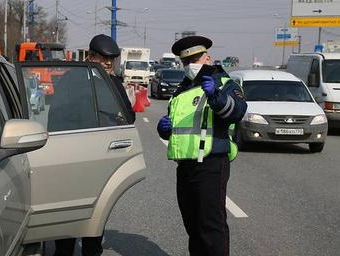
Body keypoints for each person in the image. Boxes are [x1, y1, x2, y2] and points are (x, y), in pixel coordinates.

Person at [157, 36, 247, 256]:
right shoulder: (180, 91)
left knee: (211, 228)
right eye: (186, 61)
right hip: (185, 167)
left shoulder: (224, 83)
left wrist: (215, 96)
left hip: (211, 164)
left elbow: (237, 112)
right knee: (193, 227)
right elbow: (178, 127)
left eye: (196, 58)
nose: (191, 65)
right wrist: (164, 129)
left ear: (208, 57)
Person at [53, 34, 135, 256]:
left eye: (112, 60)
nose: (108, 64)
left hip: (100, 157)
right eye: (103, 59)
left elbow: (129, 117)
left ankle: (92, 250)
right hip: (71, 156)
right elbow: (56, 117)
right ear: (90, 57)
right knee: (69, 213)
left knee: (97, 212)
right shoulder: (71, 80)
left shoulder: (115, 83)